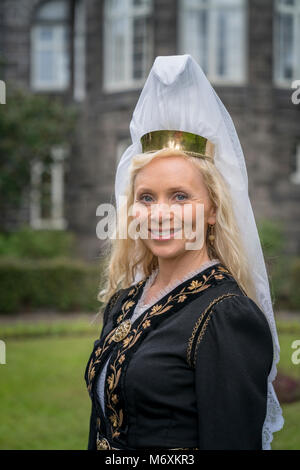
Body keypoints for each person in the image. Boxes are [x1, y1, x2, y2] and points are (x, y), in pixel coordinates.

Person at [84, 55, 284, 450]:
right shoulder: (125, 303)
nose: (159, 213)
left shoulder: (226, 315)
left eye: (179, 196)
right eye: (146, 197)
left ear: (211, 210)